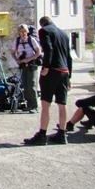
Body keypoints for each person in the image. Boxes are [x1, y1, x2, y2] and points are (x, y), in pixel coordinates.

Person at [24, 16, 72, 145]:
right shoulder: (64, 34)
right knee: (62, 104)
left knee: (46, 104)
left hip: (52, 71)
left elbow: (48, 49)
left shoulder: (44, 31)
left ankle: (42, 134)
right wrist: (69, 76)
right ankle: (62, 134)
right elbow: (69, 56)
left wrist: (46, 67)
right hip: (64, 71)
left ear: (42, 24)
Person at [11, 23, 41, 113]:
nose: (23, 33)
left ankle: (34, 106)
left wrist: (29, 59)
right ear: (19, 33)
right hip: (23, 66)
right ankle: (29, 105)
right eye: (21, 32)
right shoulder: (17, 41)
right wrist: (17, 60)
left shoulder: (31, 40)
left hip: (32, 65)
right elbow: (12, 52)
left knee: (32, 85)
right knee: (25, 86)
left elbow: (38, 52)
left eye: (24, 31)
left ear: (27, 32)